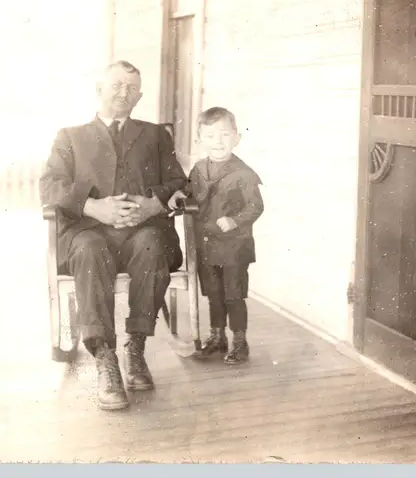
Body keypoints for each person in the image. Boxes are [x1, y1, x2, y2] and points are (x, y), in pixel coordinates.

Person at [39, 60, 186, 411]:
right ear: (99, 89)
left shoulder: (155, 136)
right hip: (88, 232)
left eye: (131, 88)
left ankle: (136, 348)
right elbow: (49, 185)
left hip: (142, 231)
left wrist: (152, 205)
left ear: (140, 97)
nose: (124, 93)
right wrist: (92, 207)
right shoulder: (70, 137)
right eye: (117, 85)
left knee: (152, 245)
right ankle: (105, 357)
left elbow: (179, 182)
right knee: (89, 248)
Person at [168, 107, 264, 365]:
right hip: (207, 245)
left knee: (233, 295)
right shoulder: (199, 169)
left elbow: (256, 206)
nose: (218, 142)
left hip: (234, 248)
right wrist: (179, 197)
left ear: (236, 138)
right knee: (213, 294)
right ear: (199, 140)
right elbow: (189, 194)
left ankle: (240, 342)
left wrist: (235, 220)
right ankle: (217, 337)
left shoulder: (244, 174)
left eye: (224, 135)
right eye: (210, 136)